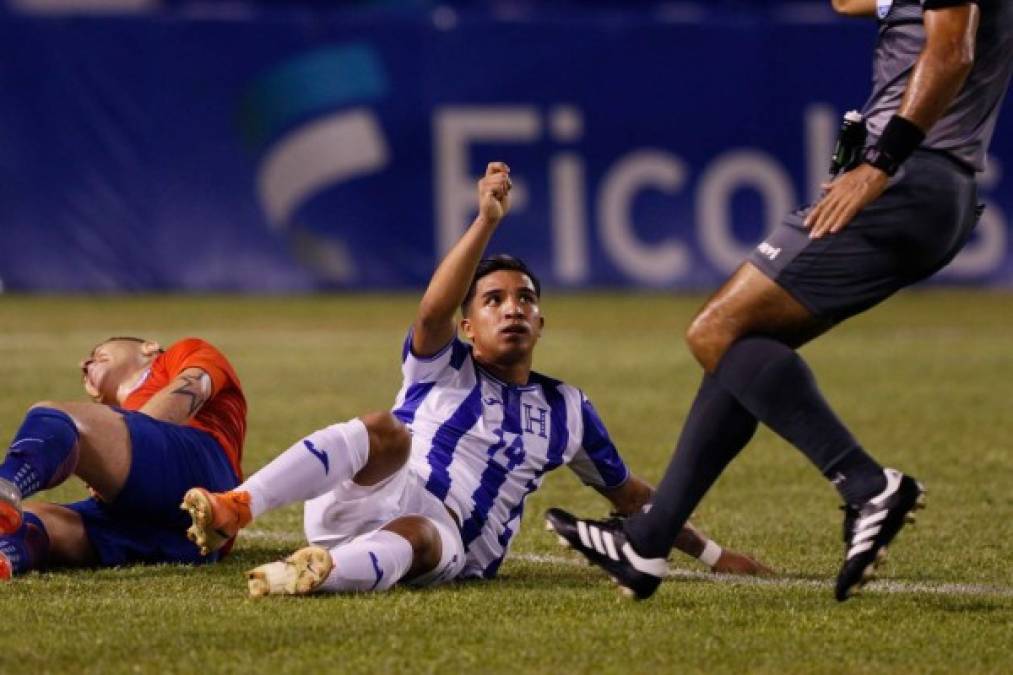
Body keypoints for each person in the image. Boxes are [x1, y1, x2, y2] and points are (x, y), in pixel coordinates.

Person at [546, 0, 1011, 601]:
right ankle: (649, 543)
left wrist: (877, 165)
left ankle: (868, 486)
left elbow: (951, 52)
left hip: (907, 175)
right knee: (741, 348)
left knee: (715, 330)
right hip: (937, 188)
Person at [182, 162, 769, 598]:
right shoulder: (443, 363)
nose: (512, 308)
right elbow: (430, 315)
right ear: (468, 325)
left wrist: (716, 556)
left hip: (448, 538)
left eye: (525, 299)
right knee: (383, 430)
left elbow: (631, 499)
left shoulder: (568, 408)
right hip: (370, 496)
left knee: (419, 533)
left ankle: (310, 573)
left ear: (541, 322)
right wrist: (485, 222)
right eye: (493, 300)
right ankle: (239, 504)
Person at [0, 337, 246, 578]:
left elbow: (190, 391)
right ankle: (8, 554)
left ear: (149, 348)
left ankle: (7, 484)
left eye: (98, 352)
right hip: (184, 538)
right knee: (36, 519)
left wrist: (113, 439)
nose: (84, 363)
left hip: (206, 480)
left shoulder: (182, 353)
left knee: (52, 416)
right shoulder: (113, 421)